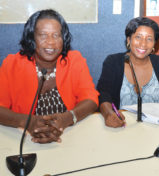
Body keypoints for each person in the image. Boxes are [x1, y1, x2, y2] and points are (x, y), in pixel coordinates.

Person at [0, 9, 99, 144]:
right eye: (43, 35)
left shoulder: (74, 60)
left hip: (68, 138)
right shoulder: (12, 64)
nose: (51, 42)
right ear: (32, 38)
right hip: (24, 140)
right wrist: (27, 122)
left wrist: (67, 118)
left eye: (56, 35)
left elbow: (91, 99)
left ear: (63, 38)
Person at [97, 17, 159, 128]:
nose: (143, 44)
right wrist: (108, 114)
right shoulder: (113, 62)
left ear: (154, 44)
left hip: (158, 127)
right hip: (123, 126)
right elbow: (103, 95)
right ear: (129, 40)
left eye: (149, 39)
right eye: (138, 37)